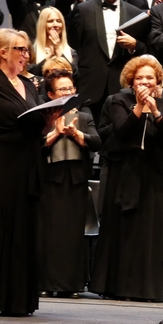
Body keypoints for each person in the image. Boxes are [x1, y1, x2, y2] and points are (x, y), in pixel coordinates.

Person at [89, 55, 163, 301]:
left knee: (149, 232)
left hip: (154, 173)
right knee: (123, 231)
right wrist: (139, 108)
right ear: (131, 80)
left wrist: (156, 113)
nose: (144, 82)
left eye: (150, 78)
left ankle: (147, 289)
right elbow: (121, 130)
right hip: (124, 171)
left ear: (157, 80)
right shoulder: (119, 100)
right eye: (139, 78)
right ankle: (117, 286)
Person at [0, 29, 56, 316]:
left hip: (28, 164)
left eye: (26, 50)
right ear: (3, 52)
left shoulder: (29, 84)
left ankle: (18, 300)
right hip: (4, 165)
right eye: (20, 50)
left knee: (23, 231)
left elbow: (35, 126)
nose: (25, 55)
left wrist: (50, 120)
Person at [38, 70, 101, 299]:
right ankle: (45, 282)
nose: (67, 92)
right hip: (50, 179)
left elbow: (97, 141)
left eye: (70, 88)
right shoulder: (43, 116)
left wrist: (77, 134)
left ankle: (71, 284)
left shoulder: (83, 115)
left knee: (72, 234)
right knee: (48, 233)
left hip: (75, 179)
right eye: (62, 89)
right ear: (51, 93)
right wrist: (54, 134)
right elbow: (33, 146)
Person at [68, 0, 148, 122]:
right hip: (91, 84)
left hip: (122, 85)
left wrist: (134, 46)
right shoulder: (84, 10)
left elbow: (146, 48)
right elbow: (74, 41)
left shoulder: (135, 13)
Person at [30, 7, 76, 77]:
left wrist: (58, 51)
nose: (55, 24)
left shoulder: (71, 52)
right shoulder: (32, 51)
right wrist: (47, 58)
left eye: (58, 21)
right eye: (50, 21)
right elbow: (30, 73)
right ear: (43, 24)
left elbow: (75, 74)